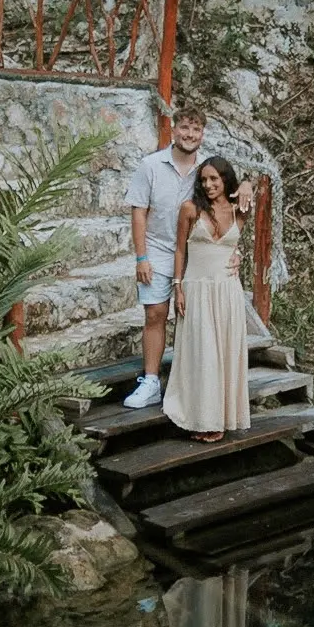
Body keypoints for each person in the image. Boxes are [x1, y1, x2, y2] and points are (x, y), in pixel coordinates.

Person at [123, 107, 250, 409]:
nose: (190, 135)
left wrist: (247, 184)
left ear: (202, 134)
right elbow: (138, 211)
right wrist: (142, 256)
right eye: (184, 128)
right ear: (173, 129)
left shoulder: (206, 170)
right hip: (157, 248)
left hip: (196, 252)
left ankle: (194, 383)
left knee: (195, 318)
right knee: (155, 313)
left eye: (196, 130)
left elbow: (236, 195)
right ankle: (151, 381)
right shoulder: (150, 165)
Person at [165, 155, 252, 441]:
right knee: (203, 355)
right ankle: (203, 420)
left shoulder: (239, 210)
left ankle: (222, 420)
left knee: (225, 354)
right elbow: (180, 250)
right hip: (197, 289)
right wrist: (177, 286)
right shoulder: (190, 209)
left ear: (226, 179)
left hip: (228, 291)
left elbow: (238, 242)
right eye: (204, 179)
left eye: (214, 178)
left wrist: (248, 184)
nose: (208, 184)